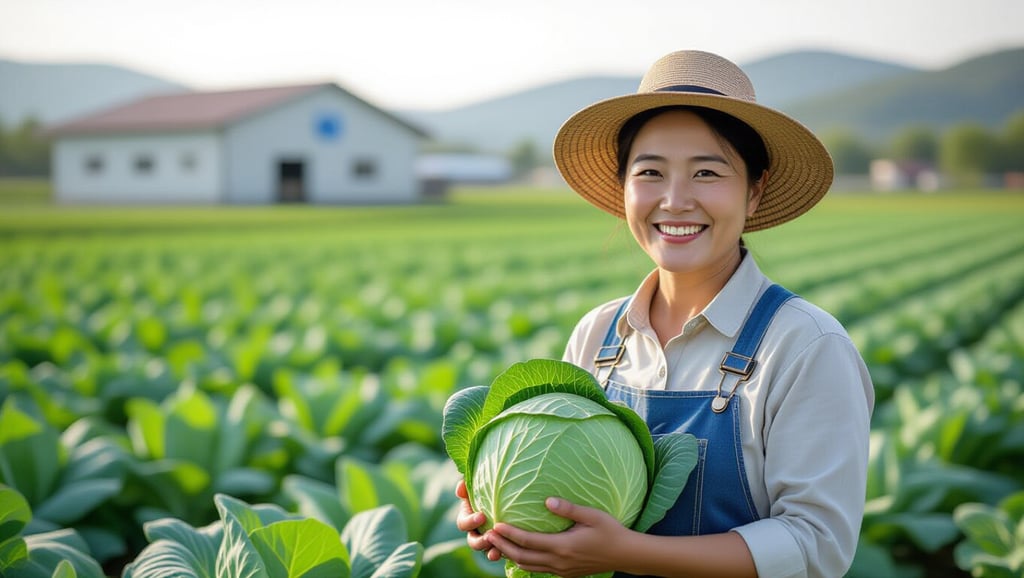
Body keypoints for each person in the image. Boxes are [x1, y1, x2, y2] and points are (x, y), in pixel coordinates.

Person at [455, 50, 874, 578]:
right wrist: (505, 515)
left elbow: (817, 547)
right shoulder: (597, 335)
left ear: (755, 190)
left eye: (706, 172)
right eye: (650, 171)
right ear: (624, 187)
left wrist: (624, 553)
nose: (675, 201)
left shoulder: (805, 345)